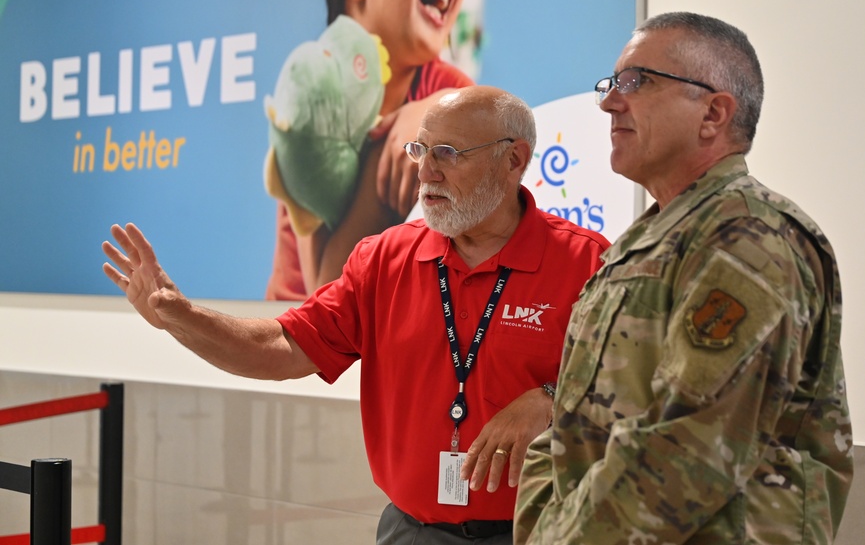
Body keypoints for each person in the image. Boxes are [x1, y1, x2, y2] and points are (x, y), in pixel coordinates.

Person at [103, 86, 610, 544]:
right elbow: (280, 348)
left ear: (513, 160)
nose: (426, 171)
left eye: (448, 154)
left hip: (540, 531)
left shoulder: (588, 263)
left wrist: (549, 399)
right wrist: (181, 317)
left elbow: (638, 394)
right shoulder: (384, 259)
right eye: (420, 150)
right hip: (411, 531)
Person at [514, 12, 853, 544]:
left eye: (638, 82)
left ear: (714, 113)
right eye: (611, 83)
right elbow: (567, 430)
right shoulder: (645, 241)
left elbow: (688, 448)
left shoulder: (749, 236)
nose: (608, 102)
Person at [265, 0, 474, 301]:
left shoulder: (449, 88)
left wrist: (435, 109)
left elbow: (499, 120)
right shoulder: (320, 92)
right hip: (303, 330)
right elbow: (324, 295)